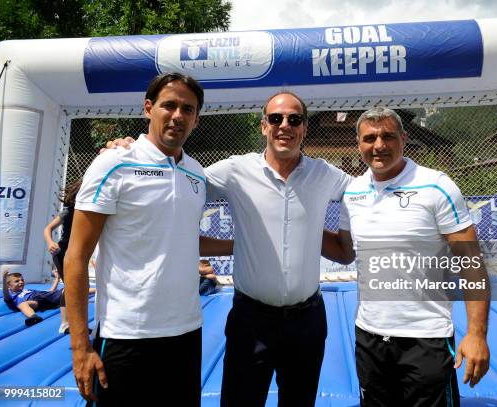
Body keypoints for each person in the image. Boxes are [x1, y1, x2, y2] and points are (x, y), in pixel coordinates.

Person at [106, 91, 352, 406]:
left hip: (308, 322)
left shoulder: (325, 174)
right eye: (276, 118)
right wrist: (131, 153)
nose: (284, 126)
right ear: (264, 126)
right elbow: (174, 182)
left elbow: (367, 191)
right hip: (252, 320)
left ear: (304, 128)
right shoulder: (235, 170)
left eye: (295, 119)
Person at [64, 72, 232, 405]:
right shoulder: (113, 163)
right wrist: (80, 347)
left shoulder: (196, 173)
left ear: (197, 119)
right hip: (125, 336)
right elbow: (76, 257)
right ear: (148, 108)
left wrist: (243, 244)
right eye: (169, 105)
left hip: (185, 334)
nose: (177, 116)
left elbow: (183, 239)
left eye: (188, 109)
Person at [323, 107, 490, 406]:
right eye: (370, 138)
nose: (379, 145)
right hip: (370, 336)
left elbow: (471, 265)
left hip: (426, 338)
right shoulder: (353, 192)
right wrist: (301, 226)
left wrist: (477, 335)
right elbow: (345, 253)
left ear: (404, 138)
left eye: (388, 136)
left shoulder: (437, 186)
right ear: (358, 144)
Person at [44, 179, 82, 280]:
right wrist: (50, 243)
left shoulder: (93, 213)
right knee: (70, 282)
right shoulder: (69, 212)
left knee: (77, 282)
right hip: (62, 252)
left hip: (78, 253)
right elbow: (48, 228)